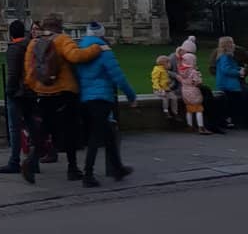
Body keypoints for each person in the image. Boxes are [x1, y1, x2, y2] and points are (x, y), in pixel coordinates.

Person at [22, 13, 104, 184]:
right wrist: (97, 48)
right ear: (59, 26)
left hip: (43, 94)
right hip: (64, 93)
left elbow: (29, 70)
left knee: (45, 130)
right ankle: (72, 168)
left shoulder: (34, 42)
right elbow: (76, 57)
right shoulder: (62, 39)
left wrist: (36, 86)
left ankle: (31, 161)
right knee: (70, 132)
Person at [75, 22, 137, 188]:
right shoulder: (103, 50)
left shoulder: (80, 49)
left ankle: (117, 168)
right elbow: (117, 75)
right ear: (101, 34)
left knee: (108, 133)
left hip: (85, 98)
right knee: (96, 136)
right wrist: (131, 95)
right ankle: (88, 175)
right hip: (101, 97)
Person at [0, 20, 39, 174]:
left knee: (15, 128)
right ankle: (35, 161)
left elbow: (13, 74)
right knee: (31, 125)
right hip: (31, 91)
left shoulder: (14, 49)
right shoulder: (31, 46)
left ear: (11, 33)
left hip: (18, 94)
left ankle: (14, 161)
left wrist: (9, 91)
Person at [213, 36, 246, 130]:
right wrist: (238, 72)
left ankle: (229, 120)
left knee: (231, 103)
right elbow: (226, 69)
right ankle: (229, 120)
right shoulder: (225, 56)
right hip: (228, 85)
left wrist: (239, 69)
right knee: (232, 103)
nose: (233, 44)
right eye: (231, 43)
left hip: (228, 84)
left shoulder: (227, 56)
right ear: (227, 45)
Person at [178, 49, 209, 135]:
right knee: (199, 109)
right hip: (193, 91)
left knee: (189, 109)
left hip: (185, 91)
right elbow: (198, 81)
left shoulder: (181, 71)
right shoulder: (193, 71)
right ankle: (201, 127)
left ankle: (190, 125)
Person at [151, 54, 179, 121]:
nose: (170, 64)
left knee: (174, 98)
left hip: (166, 89)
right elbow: (155, 80)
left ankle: (175, 112)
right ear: (164, 64)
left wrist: (168, 82)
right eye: (169, 63)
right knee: (164, 98)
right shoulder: (157, 70)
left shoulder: (165, 70)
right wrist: (159, 89)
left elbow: (165, 79)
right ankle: (166, 111)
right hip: (158, 89)